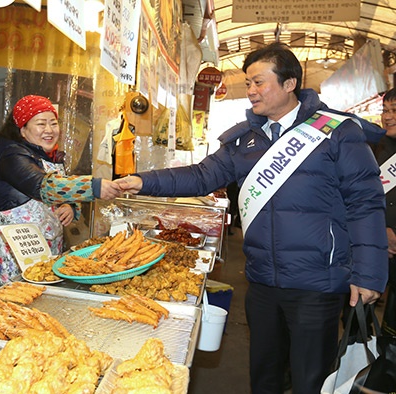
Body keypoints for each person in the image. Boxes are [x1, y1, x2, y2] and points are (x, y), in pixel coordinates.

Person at [115, 42, 388, 394]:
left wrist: (369, 275)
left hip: (316, 284)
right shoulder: (244, 141)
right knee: (264, 377)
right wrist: (140, 181)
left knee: (311, 379)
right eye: (248, 84)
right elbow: (200, 176)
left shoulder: (337, 132)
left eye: (259, 82)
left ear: (290, 83)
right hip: (261, 283)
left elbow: (365, 203)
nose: (252, 91)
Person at [0, 95, 119, 291]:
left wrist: (70, 206)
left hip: (44, 253)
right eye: (41, 124)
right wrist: (95, 187)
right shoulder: (12, 156)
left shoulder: (49, 156)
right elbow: (45, 187)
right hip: (12, 255)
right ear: (22, 129)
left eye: (53, 123)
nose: (49, 130)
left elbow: (63, 188)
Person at [372, 87, 396, 336]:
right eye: (385, 110)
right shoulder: (373, 147)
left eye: (394, 111)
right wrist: (381, 232)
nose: (388, 117)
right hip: (372, 248)